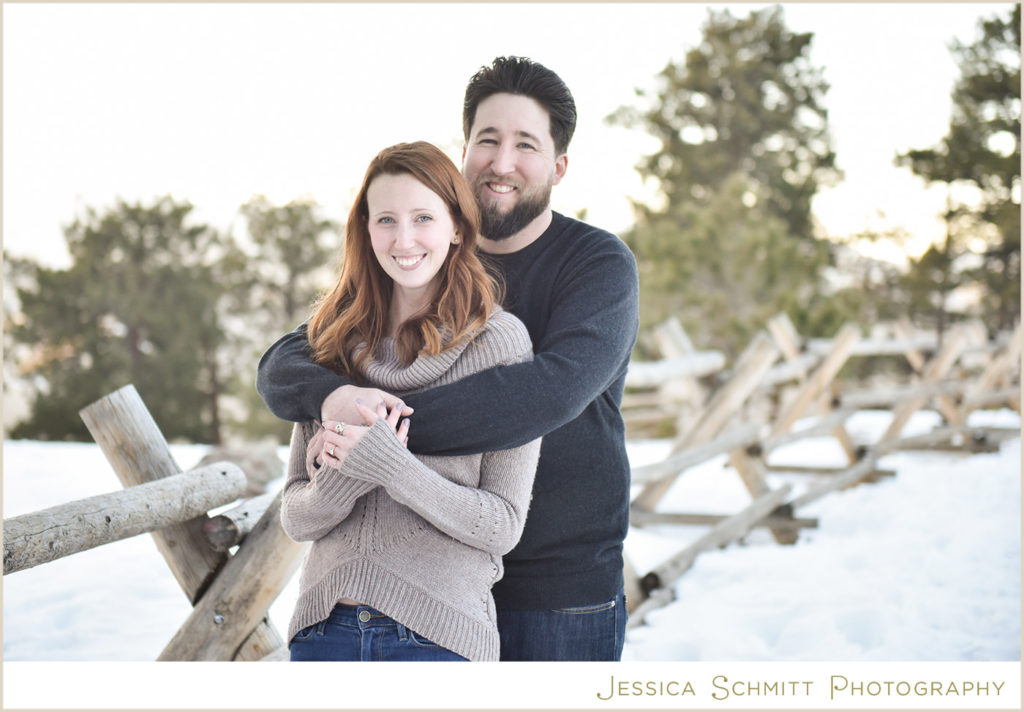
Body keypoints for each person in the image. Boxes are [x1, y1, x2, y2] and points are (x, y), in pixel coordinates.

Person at [260, 56, 639, 661]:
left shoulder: (596, 265)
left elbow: (547, 394)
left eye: (526, 145)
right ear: (464, 151)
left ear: (559, 166)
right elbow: (284, 362)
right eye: (487, 140)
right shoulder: (412, 257)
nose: (502, 162)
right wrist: (335, 396)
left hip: (556, 583)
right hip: (430, 583)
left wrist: (376, 433)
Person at [280, 141, 541, 662]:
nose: (404, 239)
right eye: (386, 220)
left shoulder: (500, 344)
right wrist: (348, 476)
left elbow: (502, 525)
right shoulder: (332, 344)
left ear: (457, 229)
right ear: (366, 229)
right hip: (323, 630)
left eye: (423, 217)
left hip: (437, 638)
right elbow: (296, 518)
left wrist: (393, 468)